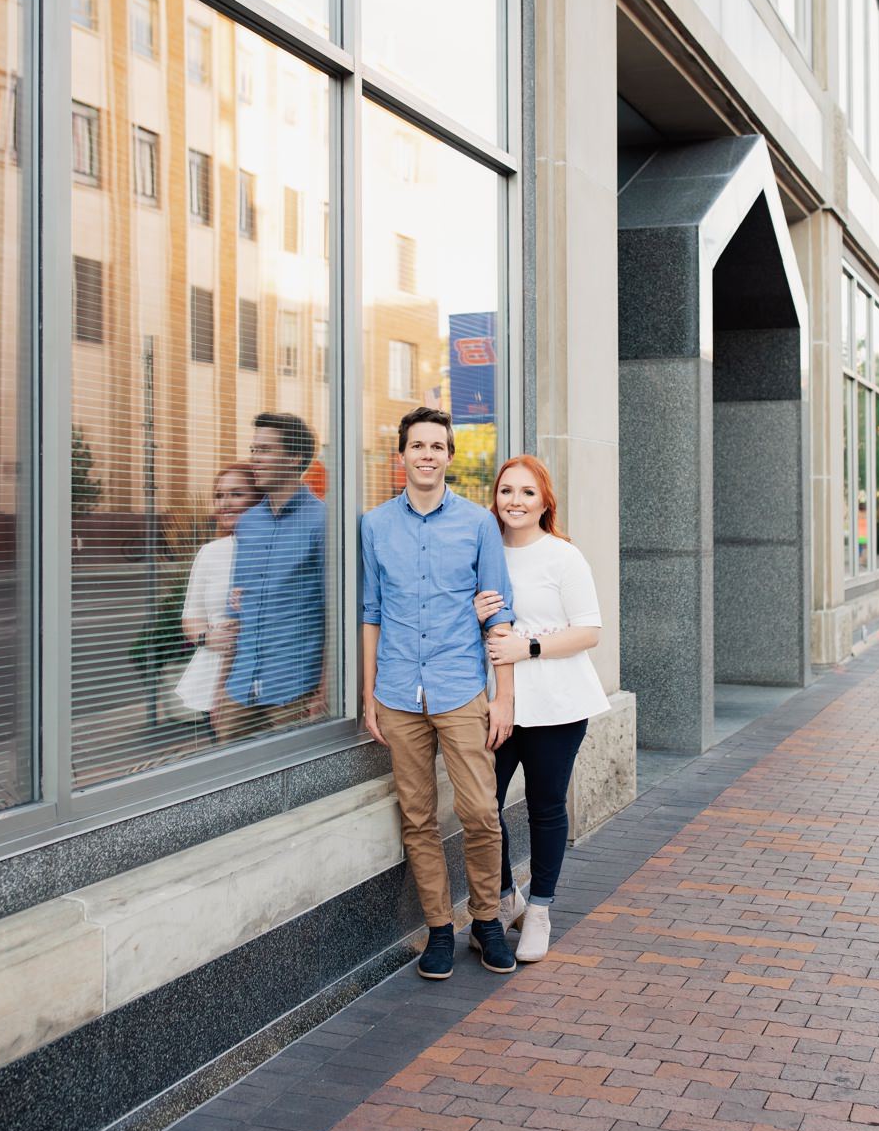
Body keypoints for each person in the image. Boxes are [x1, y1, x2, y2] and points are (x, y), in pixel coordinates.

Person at [359, 405, 519, 979]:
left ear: (449, 457)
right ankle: (438, 929)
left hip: (460, 690)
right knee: (418, 819)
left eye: (437, 447)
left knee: (479, 811)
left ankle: (486, 921)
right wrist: (367, 693)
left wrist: (504, 698)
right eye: (417, 446)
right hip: (400, 693)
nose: (427, 455)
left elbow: (499, 614)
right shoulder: (374, 526)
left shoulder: (477, 524)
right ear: (400, 456)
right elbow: (371, 612)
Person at [471, 455, 609, 963]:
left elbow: (589, 631)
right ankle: (508, 899)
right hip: (496, 703)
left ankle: (542, 909)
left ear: (545, 501)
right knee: (485, 806)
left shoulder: (563, 557)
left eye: (528, 492)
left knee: (545, 806)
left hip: (558, 701)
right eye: (507, 491)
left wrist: (526, 647)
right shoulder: (485, 553)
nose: (516, 501)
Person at [223, 413, 328, 736]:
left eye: (265, 450)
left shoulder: (323, 521)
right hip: (240, 688)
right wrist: (220, 688)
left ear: (294, 457)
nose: (254, 459)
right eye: (253, 449)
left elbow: (336, 617)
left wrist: (326, 692)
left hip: (294, 690)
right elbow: (235, 613)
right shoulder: (247, 524)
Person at [177, 464, 260, 742]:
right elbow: (191, 614)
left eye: (236, 494)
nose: (225, 503)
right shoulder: (210, 553)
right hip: (213, 678)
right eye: (219, 495)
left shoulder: (275, 547)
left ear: (258, 498)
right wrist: (206, 637)